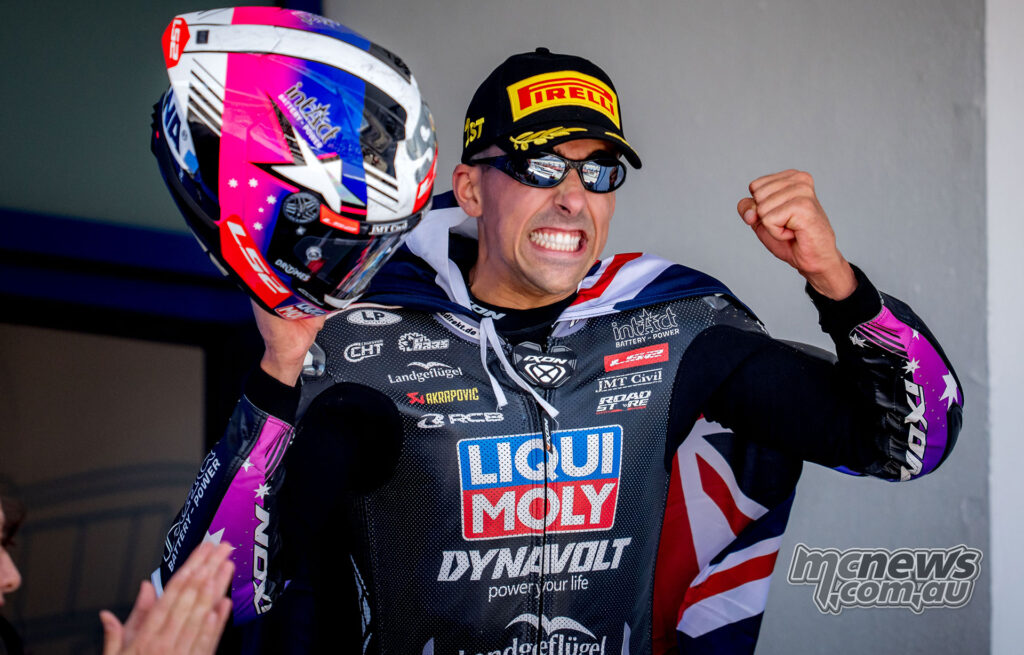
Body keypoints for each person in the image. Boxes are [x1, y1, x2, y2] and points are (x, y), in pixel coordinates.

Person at [158, 43, 963, 655]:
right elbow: (209, 599)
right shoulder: (360, 335)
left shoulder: (672, 322)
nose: (574, 198)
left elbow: (908, 442)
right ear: (470, 189)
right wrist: (281, 367)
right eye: (541, 165)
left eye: (600, 172)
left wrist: (836, 282)